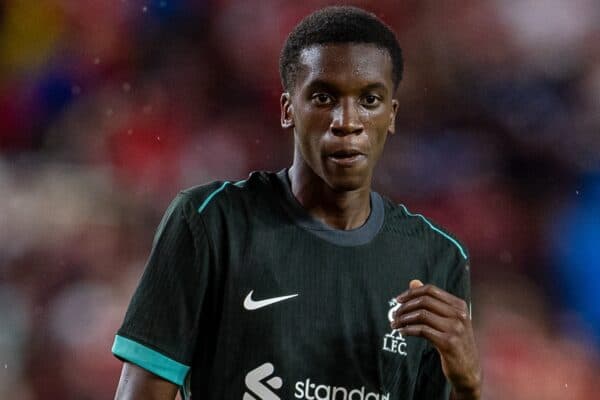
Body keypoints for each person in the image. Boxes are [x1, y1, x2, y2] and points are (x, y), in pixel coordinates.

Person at [112, 6, 481, 400]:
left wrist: (467, 385)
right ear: (289, 109)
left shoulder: (436, 257)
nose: (347, 120)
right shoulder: (211, 223)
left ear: (391, 115)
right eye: (324, 97)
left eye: (369, 100)